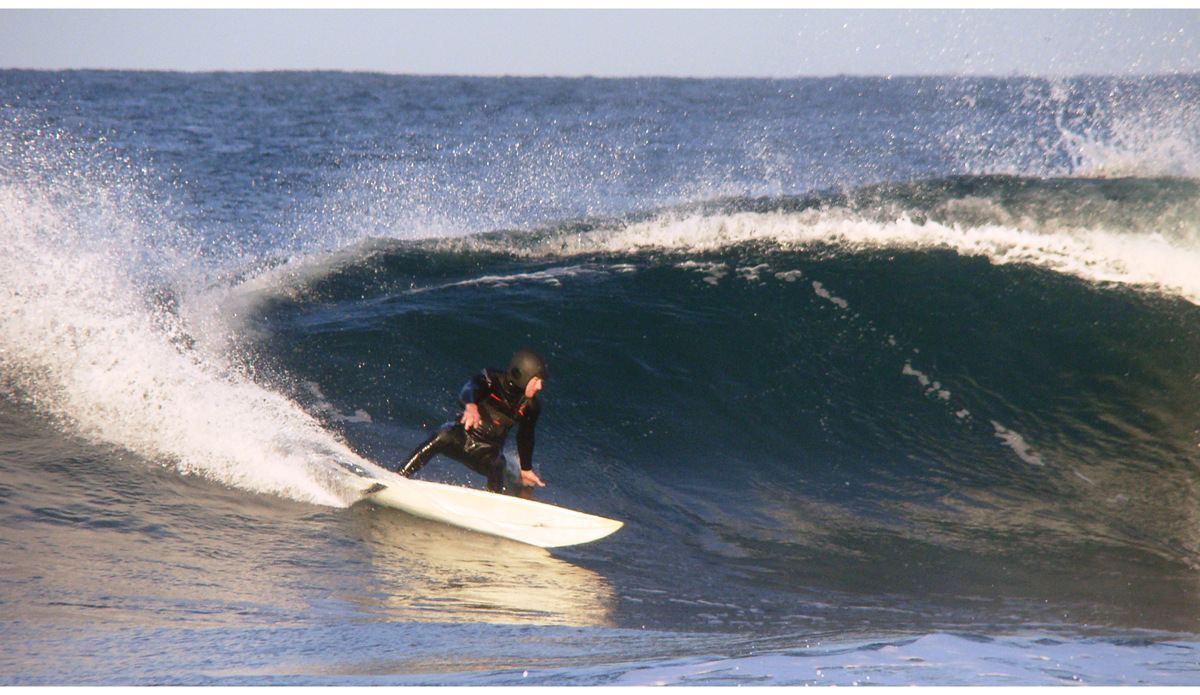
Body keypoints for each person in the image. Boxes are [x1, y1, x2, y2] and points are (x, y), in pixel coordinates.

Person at [392, 349, 547, 493]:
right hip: (462, 436)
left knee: (498, 464)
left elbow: (525, 437)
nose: (540, 386)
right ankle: (398, 478)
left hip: (487, 451)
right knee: (443, 434)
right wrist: (470, 405)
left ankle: (493, 505)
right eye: (536, 380)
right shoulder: (491, 378)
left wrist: (526, 469)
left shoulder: (531, 405)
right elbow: (468, 389)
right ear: (521, 374)